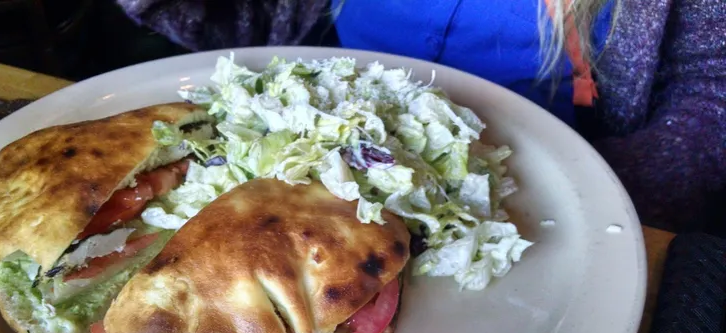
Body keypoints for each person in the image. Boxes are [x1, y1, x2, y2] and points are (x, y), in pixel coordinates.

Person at [115, 0, 725, 234]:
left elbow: (711, 101)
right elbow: (253, 18)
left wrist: (562, 207)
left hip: (527, 204)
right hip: (299, 169)